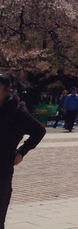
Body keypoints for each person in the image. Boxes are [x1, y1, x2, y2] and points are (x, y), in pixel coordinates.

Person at [0, 73, 46, 229]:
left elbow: (39, 131)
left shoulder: (17, 111)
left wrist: (22, 151)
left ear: (6, 90)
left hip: (2, 169)